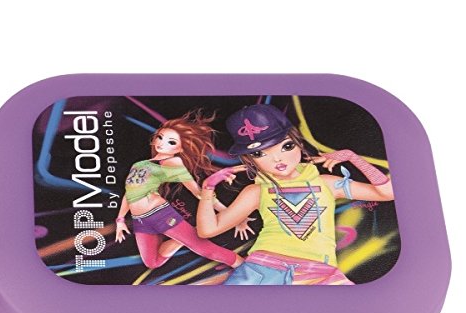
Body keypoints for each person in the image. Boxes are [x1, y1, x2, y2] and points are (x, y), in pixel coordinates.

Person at [196, 104, 394, 285]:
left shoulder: (327, 183)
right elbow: (207, 230)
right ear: (249, 159)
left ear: (298, 142)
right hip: (264, 271)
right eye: (259, 153)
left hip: (321, 274)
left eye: (286, 146)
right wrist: (207, 188)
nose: (277, 159)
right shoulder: (256, 191)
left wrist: (353, 158)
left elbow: (388, 193)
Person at [115, 111, 252, 270]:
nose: (162, 143)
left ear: (180, 148)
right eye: (160, 137)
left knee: (202, 248)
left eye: (171, 142)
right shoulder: (138, 165)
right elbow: (129, 193)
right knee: (152, 262)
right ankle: (184, 236)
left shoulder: (173, 162)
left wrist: (233, 216)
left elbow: (198, 192)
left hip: (160, 214)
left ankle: (244, 266)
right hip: (140, 220)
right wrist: (120, 219)